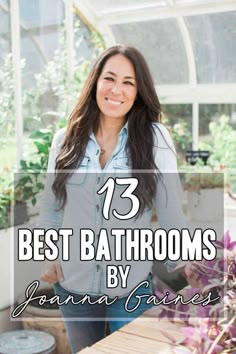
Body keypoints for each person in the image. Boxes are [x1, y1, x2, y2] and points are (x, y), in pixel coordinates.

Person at [39, 44, 187, 353]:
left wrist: (192, 271)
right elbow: (52, 204)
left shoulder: (154, 139)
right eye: (109, 78)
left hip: (129, 285)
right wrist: (50, 254)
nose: (116, 89)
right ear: (95, 82)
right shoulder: (65, 140)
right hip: (73, 284)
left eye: (128, 82)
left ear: (138, 91)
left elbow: (171, 211)